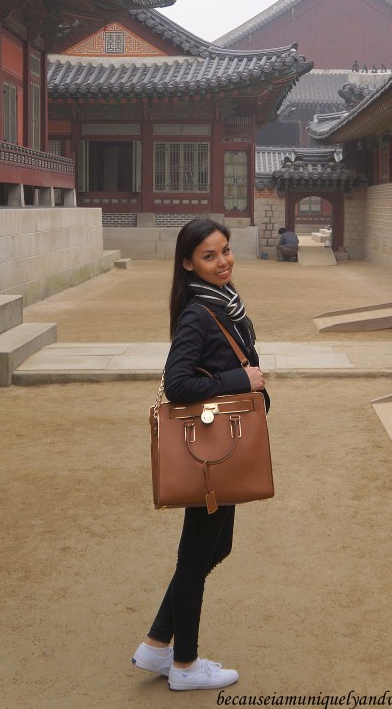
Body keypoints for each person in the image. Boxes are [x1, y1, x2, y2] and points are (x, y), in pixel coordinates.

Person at [132, 218, 267, 691]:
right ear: (188, 263)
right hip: (209, 453)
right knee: (195, 559)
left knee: (216, 547)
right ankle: (185, 665)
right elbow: (177, 384)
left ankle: (156, 644)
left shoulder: (223, 303)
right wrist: (240, 380)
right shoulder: (198, 313)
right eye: (210, 256)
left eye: (225, 251)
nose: (223, 261)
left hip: (222, 450)